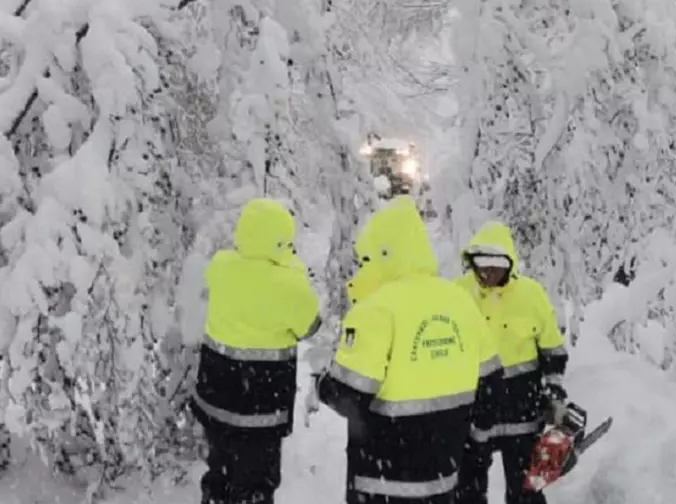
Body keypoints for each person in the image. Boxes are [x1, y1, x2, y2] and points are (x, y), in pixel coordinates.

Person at [316, 195, 502, 503]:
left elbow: (349, 395)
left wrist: (323, 385)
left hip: (383, 484)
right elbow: (492, 382)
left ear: (382, 253)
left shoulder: (375, 310)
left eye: (366, 259)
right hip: (446, 480)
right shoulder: (460, 302)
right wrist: (473, 443)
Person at [191, 198, 322, 504]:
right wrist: (292, 266)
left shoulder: (221, 266)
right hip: (261, 407)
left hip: (216, 400)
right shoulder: (290, 284)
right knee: (256, 483)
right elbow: (311, 326)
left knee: (219, 474)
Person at [453, 221, 569, 504]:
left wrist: (552, 393)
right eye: (482, 264)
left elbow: (553, 350)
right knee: (466, 490)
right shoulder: (457, 295)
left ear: (510, 264)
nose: (489, 272)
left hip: (524, 412)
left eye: (497, 265)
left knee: (525, 491)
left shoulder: (531, 295)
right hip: (474, 414)